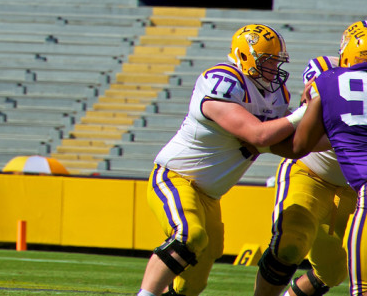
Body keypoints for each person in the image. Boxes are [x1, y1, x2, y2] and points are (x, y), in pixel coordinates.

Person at [136, 23, 309, 296]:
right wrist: (302, 113)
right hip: (176, 177)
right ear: (244, 56)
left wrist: (325, 119)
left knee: (194, 282)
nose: (274, 68)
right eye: (268, 61)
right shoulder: (223, 81)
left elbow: (291, 147)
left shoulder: (275, 94)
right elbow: (259, 135)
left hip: (210, 196)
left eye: (277, 61)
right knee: (188, 236)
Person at [252, 26, 356, 296]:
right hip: (311, 173)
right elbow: (313, 126)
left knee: (333, 272)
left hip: (354, 189)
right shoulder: (326, 70)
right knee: (290, 243)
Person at [291, 19, 367, 296]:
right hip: (319, 173)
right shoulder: (324, 70)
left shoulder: (328, 77)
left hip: (353, 183)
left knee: (350, 280)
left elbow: (308, 136)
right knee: (294, 247)